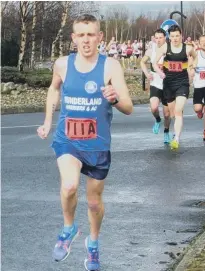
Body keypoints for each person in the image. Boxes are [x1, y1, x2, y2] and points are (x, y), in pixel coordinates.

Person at [37, 14, 133, 271]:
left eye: (91, 34)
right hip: (67, 140)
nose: (86, 40)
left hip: (98, 144)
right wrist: (48, 120)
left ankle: (93, 244)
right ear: (74, 38)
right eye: (81, 35)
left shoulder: (110, 66)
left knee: (93, 201)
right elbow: (54, 89)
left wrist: (113, 99)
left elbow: (129, 107)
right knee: (69, 186)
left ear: (100, 37)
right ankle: (68, 228)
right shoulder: (62, 64)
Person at [153, 25, 196, 150]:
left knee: (178, 111)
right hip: (168, 84)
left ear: (181, 36)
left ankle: (176, 138)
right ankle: (176, 129)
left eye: (177, 36)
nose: (175, 39)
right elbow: (154, 63)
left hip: (182, 83)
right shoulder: (165, 47)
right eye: (172, 36)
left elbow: (196, 57)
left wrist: (192, 66)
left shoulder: (187, 48)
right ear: (169, 37)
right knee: (173, 114)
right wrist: (160, 73)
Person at [140, 28, 171, 144]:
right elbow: (142, 62)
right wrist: (147, 73)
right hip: (155, 84)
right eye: (156, 38)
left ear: (165, 38)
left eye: (160, 38)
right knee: (154, 107)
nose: (158, 40)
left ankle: (166, 132)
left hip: (168, 86)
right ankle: (158, 120)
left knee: (167, 115)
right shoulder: (151, 50)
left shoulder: (170, 49)